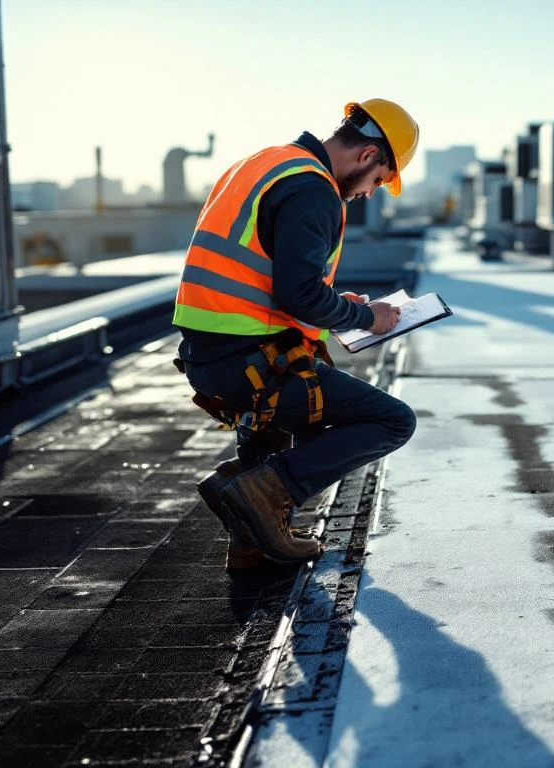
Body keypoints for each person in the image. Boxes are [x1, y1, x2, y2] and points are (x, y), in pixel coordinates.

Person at [172, 99, 420, 570]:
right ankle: (259, 493)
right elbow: (298, 294)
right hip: (246, 360)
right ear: (368, 157)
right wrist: (370, 318)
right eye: (380, 181)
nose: (370, 193)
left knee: (290, 395)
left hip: (211, 354)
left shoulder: (266, 163)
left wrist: (338, 301)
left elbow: (270, 277)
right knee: (391, 421)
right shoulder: (314, 190)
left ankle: (251, 539)